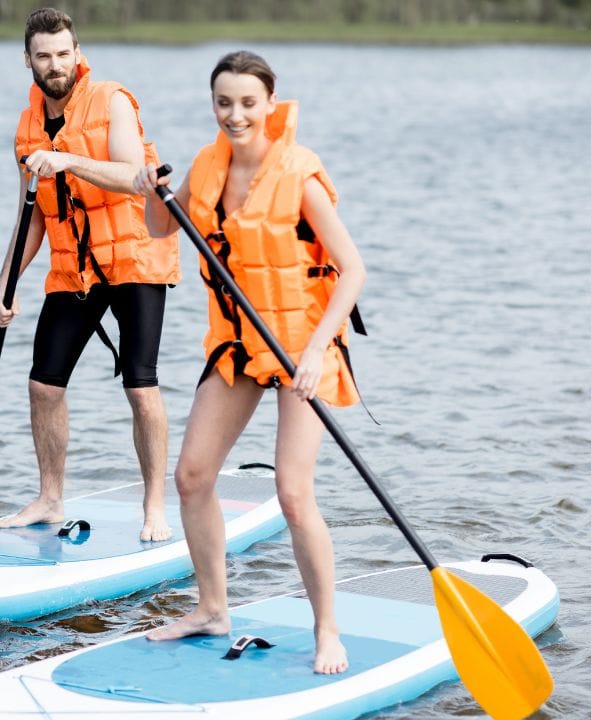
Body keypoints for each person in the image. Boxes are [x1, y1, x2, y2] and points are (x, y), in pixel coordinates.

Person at [132, 50, 367, 674]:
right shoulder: (208, 167)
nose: (235, 114)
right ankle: (212, 608)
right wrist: (148, 190)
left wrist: (317, 351)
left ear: (269, 103)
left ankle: (327, 631)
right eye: (223, 102)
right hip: (240, 346)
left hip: (301, 348)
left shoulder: (300, 175)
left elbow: (354, 271)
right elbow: (160, 226)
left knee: (292, 493)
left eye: (246, 102)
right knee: (191, 477)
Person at [0, 8, 181, 542]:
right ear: (27, 60)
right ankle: (50, 499)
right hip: (75, 267)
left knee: (140, 386)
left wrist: (67, 159)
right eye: (43, 56)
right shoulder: (27, 127)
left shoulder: (112, 100)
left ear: (78, 53)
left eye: (63, 53)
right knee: (43, 385)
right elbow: (33, 212)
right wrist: (5, 283)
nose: (55, 65)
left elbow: (131, 178)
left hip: (136, 259)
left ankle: (155, 508)